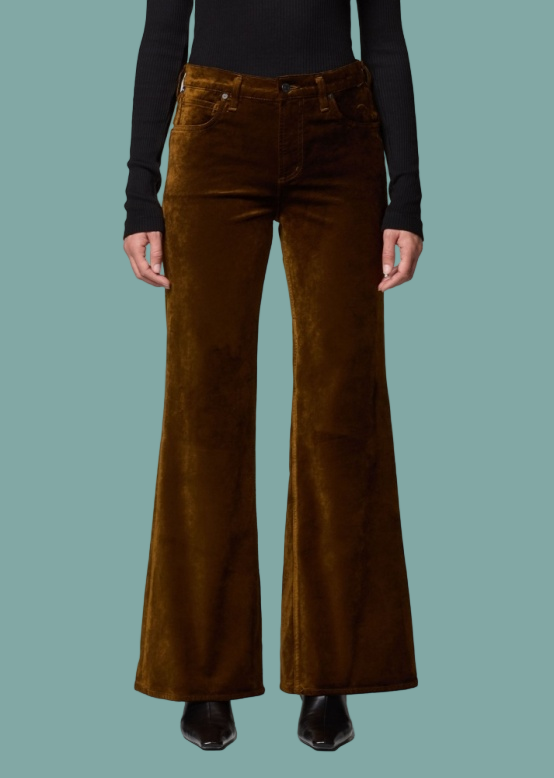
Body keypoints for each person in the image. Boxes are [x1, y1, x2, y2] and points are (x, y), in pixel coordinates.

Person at [123, 0, 423, 752]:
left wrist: (407, 195)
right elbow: (164, 30)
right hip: (215, 127)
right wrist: (139, 192)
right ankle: (204, 674)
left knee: (341, 408)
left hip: (340, 130)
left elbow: (385, 36)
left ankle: (331, 672)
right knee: (203, 407)